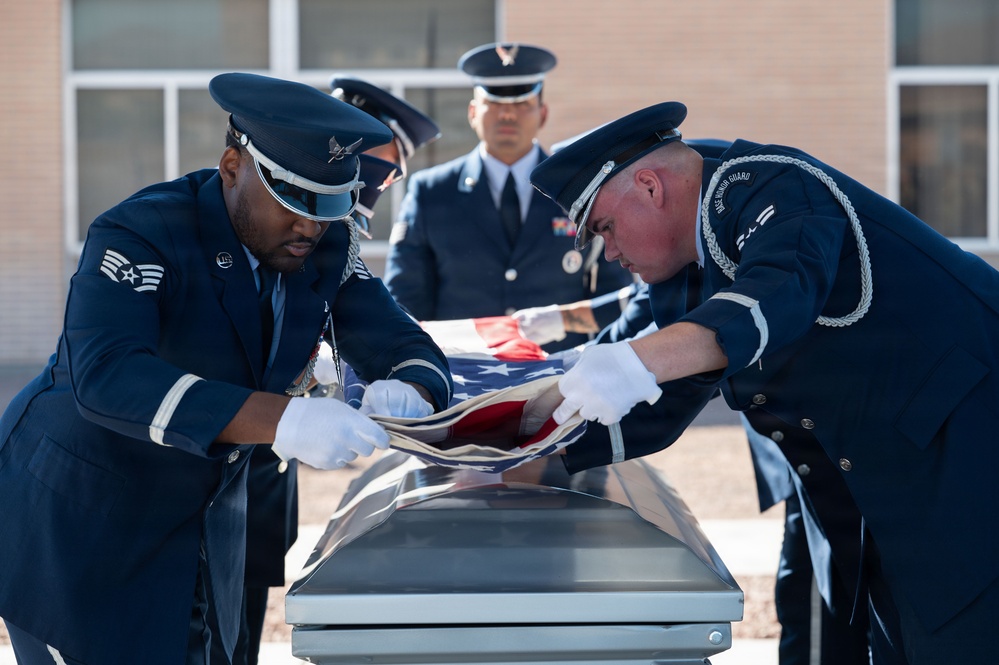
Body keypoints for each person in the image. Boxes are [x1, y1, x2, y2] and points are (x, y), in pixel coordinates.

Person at [0, 72, 452, 665]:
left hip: (207, 514)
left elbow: (400, 340)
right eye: (294, 201)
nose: (310, 227)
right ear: (233, 166)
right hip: (87, 515)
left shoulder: (325, 244)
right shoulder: (142, 233)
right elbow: (108, 373)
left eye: (329, 206)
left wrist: (411, 386)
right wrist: (282, 419)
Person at [529, 100, 999, 664]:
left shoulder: (771, 185)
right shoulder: (683, 268)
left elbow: (777, 296)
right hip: (896, 483)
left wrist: (636, 360)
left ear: (651, 188)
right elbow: (658, 405)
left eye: (604, 227)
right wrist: (511, 443)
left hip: (970, 456)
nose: (612, 253)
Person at [235, 76, 443, 665]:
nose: (388, 181)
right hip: (223, 454)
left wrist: (411, 380)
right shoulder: (289, 219)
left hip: (261, 475)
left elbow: (375, 324)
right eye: (387, 164)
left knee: (240, 620)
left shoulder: (336, 232)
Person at [383, 42, 634, 352]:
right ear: (473, 113)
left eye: (521, 104)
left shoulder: (579, 188)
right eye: (495, 103)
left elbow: (614, 292)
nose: (507, 115)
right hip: (461, 377)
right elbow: (405, 300)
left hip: (561, 377)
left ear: (542, 114)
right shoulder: (430, 192)